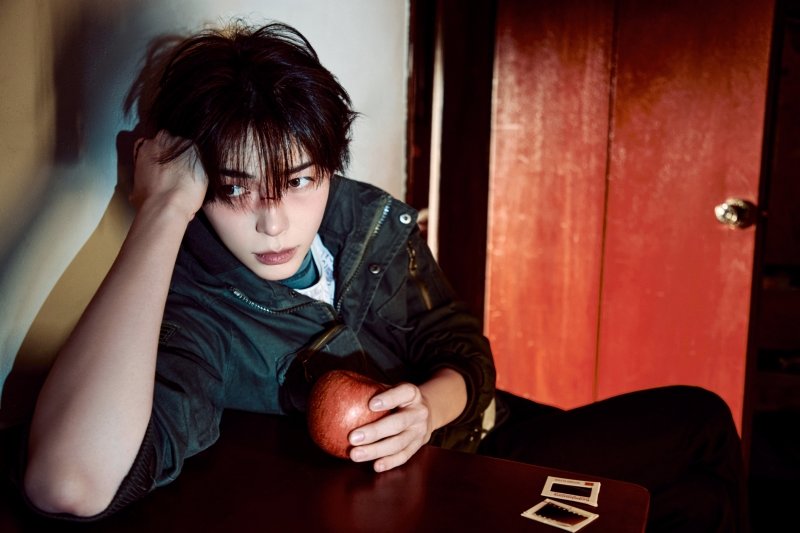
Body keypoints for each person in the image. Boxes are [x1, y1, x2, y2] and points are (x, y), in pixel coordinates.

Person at [21, 21, 746, 532]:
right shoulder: (199, 305)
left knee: (701, 452)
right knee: (698, 459)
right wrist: (161, 210)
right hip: (450, 483)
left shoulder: (361, 220)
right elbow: (67, 482)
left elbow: (457, 339)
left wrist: (430, 403)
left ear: (329, 166)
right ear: (196, 181)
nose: (272, 223)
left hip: (481, 426)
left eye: (297, 180)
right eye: (235, 188)